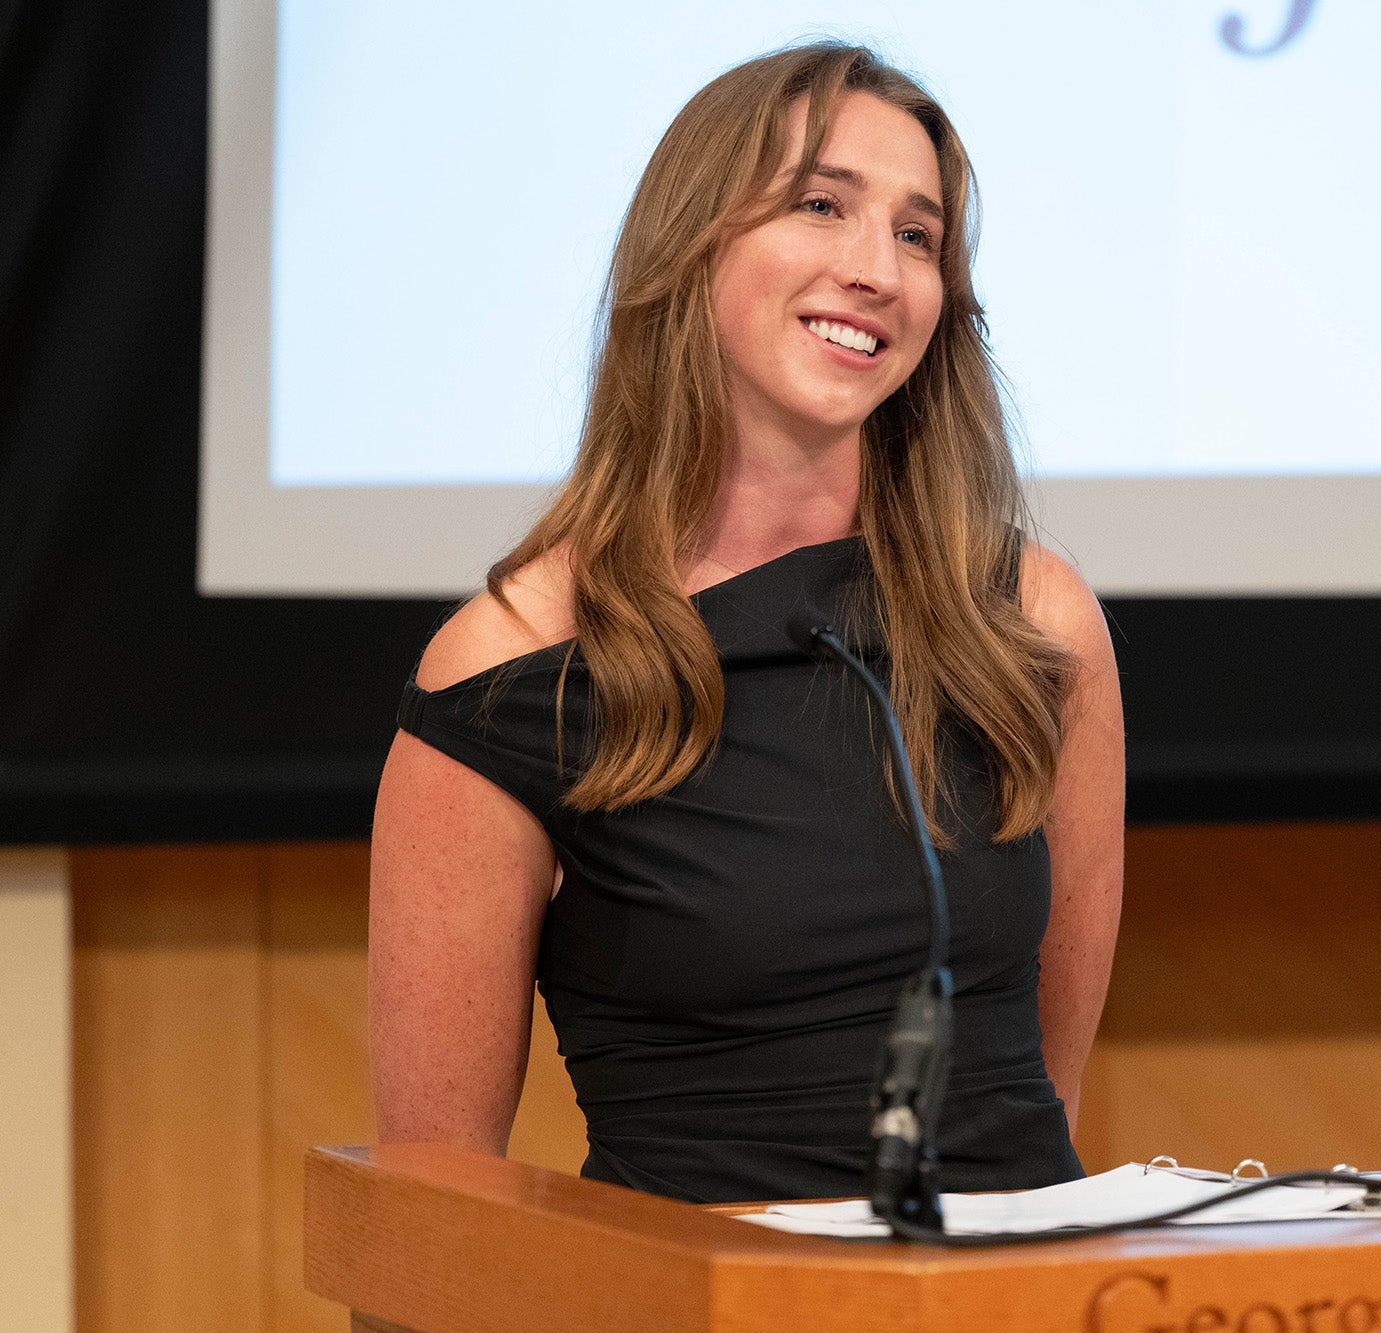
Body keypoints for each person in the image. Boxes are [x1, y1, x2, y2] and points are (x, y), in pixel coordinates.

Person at [369, 41, 1124, 1205]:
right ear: (692, 242)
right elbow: (432, 1202)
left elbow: (1046, 1094)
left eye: (916, 235)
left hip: (1008, 1279)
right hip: (690, 1287)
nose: (875, 270)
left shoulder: (1028, 620)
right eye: (820, 205)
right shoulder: (514, 664)